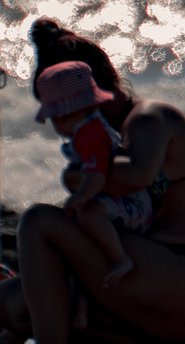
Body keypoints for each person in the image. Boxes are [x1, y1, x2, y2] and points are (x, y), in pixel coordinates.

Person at [0, 19, 185, 344]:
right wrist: (20, 331)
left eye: (62, 113)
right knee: (12, 304)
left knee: (38, 220)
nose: (61, 126)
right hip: (145, 283)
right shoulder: (100, 142)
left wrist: (78, 174)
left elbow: (136, 175)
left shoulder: (151, 117)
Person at [31, 60, 154, 327]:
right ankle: (82, 308)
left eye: (54, 118)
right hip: (112, 201)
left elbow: (97, 175)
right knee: (79, 236)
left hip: (133, 206)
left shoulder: (92, 134)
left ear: (66, 113)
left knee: (88, 213)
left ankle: (120, 259)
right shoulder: (85, 131)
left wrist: (81, 197)